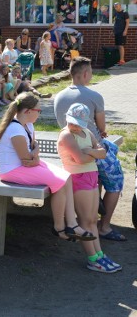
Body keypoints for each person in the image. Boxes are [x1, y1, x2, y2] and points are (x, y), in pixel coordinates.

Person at [0, 93, 95, 244]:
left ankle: (72, 224)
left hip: (24, 166)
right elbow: (27, 159)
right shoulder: (15, 130)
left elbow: (33, 149)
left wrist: (35, 154)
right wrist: (35, 155)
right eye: (38, 111)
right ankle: (59, 227)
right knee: (59, 182)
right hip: (11, 171)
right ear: (27, 111)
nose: (39, 114)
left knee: (66, 176)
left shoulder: (28, 125)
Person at [54, 56, 126, 241]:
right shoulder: (94, 96)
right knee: (116, 181)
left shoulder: (59, 96)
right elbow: (101, 128)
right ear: (85, 73)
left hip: (68, 149)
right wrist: (101, 133)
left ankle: (92, 211)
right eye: (91, 72)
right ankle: (105, 226)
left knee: (97, 178)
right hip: (91, 149)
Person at [56, 104, 121, 273]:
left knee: (93, 219)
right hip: (78, 178)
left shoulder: (88, 133)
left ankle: (99, 254)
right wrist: (93, 152)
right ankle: (92, 259)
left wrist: (90, 151)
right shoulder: (66, 135)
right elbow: (80, 159)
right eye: (72, 123)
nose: (75, 126)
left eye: (78, 124)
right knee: (85, 220)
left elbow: (103, 153)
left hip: (91, 176)